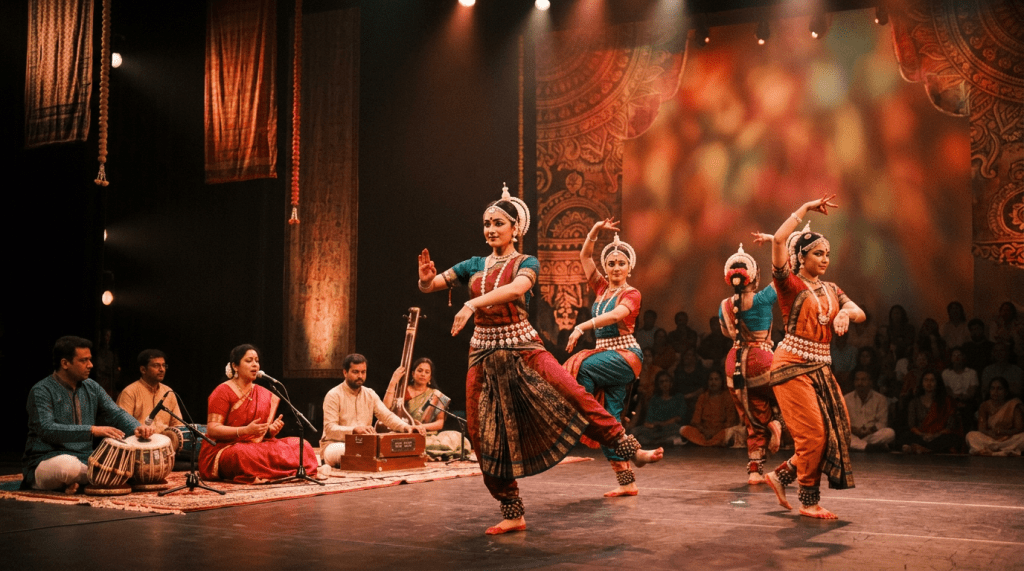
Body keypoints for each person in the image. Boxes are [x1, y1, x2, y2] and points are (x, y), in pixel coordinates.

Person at [416, 183, 662, 535]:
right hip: (483, 353)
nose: (490, 229)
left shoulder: (527, 262)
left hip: (523, 345)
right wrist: (426, 282)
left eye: (498, 223)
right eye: (486, 224)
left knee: (573, 393)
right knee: (481, 433)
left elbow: (517, 288)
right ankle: (511, 510)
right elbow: (435, 285)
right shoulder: (473, 264)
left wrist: (471, 303)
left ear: (516, 228)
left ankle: (628, 449)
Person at [763, 196, 865, 520]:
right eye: (818, 253)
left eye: (827, 254)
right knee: (813, 434)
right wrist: (804, 208)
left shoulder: (832, 289)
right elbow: (779, 241)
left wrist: (845, 314)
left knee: (837, 429)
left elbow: (859, 311)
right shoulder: (788, 284)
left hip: (821, 367)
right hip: (792, 366)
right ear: (801, 257)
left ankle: (780, 476)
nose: (825, 259)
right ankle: (808, 500)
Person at [562, 219, 645, 497]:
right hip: (606, 356)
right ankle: (627, 482)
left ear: (629, 267)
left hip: (625, 356)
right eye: (611, 264)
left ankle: (581, 411)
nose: (616, 268)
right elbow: (585, 256)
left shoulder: (631, 293)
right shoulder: (601, 288)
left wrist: (582, 327)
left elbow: (617, 315)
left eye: (621, 263)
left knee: (582, 367)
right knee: (609, 422)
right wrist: (595, 232)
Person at [22, 336, 155, 493]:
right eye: (84, 360)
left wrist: (137, 427)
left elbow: (116, 413)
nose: (90, 365)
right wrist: (92, 430)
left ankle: (77, 483)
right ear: (65, 363)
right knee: (68, 467)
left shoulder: (91, 387)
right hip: (47, 459)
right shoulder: (42, 391)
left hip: (87, 458)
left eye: (90, 359)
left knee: (132, 460)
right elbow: (46, 429)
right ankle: (93, 479)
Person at [198, 344, 318, 484]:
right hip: (226, 448)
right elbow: (212, 429)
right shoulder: (222, 391)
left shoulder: (262, 392)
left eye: (257, 361)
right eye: (249, 361)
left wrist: (269, 431)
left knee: (301, 445)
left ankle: (277, 473)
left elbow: (259, 436)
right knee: (241, 454)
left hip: (255, 446)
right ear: (235, 366)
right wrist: (245, 431)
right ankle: (272, 473)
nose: (255, 365)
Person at [719, 240, 784, 484]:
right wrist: (778, 242)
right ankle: (776, 422)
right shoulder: (764, 298)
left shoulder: (724, 305)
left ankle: (755, 471)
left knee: (752, 417)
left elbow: (726, 332)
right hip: (762, 361)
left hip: (734, 365)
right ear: (754, 278)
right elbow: (783, 274)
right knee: (789, 396)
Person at [320, 354, 422, 467]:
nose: (360, 376)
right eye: (355, 372)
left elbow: (387, 416)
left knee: (389, 447)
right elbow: (330, 429)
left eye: (363, 372)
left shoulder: (369, 394)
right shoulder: (333, 395)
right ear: (345, 372)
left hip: (364, 445)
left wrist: (406, 427)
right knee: (351, 451)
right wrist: (354, 430)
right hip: (335, 445)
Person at [381, 357, 473, 461]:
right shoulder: (402, 391)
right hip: (406, 434)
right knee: (404, 443)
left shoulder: (436, 395)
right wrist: (393, 383)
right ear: (413, 373)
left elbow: (440, 422)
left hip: (427, 436)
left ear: (430, 377)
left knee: (458, 439)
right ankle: (427, 453)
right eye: (420, 371)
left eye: (427, 372)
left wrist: (421, 427)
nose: (423, 374)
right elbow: (385, 409)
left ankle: (421, 451)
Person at [117, 349, 183, 433]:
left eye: (163, 365)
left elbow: (178, 425)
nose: (162, 369)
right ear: (143, 370)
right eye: (156, 366)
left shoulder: (168, 392)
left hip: (166, 440)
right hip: (139, 440)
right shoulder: (129, 392)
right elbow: (123, 425)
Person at [898, 371, 961, 454]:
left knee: (953, 438)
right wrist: (923, 435)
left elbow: (950, 427)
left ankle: (922, 449)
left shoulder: (946, 401)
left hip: (939, 436)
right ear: (922, 383)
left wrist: (934, 435)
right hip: (921, 436)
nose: (929, 383)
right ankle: (933, 449)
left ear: (937, 383)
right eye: (926, 380)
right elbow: (912, 425)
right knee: (905, 436)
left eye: (932, 380)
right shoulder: (914, 402)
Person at [680, 371, 743, 447]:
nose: (713, 382)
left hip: (721, 431)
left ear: (721, 381)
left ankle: (705, 443)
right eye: (711, 379)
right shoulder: (703, 397)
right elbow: (695, 421)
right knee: (683, 429)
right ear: (707, 382)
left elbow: (730, 421)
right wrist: (704, 431)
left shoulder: (727, 397)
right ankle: (713, 443)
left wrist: (714, 432)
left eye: (716, 379)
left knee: (732, 432)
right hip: (704, 433)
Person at [965, 377, 1024, 455]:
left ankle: (990, 451)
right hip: (991, 439)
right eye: (992, 388)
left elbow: (1019, 428)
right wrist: (991, 434)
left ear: (1006, 392)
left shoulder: (1013, 405)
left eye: (999, 389)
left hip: (1009, 439)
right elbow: (982, 428)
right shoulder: (985, 406)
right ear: (989, 391)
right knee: (970, 435)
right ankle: (1003, 451)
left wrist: (1003, 432)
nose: (995, 392)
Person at [630, 372, 687, 447]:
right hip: (655, 428)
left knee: (680, 430)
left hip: (671, 427)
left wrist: (663, 424)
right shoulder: (654, 399)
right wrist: (654, 425)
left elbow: (679, 417)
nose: (664, 384)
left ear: (671, 383)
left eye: (667, 381)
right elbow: (648, 420)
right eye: (661, 382)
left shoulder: (679, 397)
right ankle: (663, 442)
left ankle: (660, 441)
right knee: (634, 431)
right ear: (658, 385)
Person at [844, 369, 895, 452]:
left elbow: (882, 423)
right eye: (857, 380)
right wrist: (853, 429)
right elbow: (842, 422)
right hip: (852, 434)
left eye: (863, 380)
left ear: (870, 382)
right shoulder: (846, 399)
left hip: (871, 435)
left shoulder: (880, 399)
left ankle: (859, 446)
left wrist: (869, 431)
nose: (860, 383)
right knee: (841, 435)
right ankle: (869, 447)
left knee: (890, 433)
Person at [941, 347, 979, 431]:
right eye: (954, 355)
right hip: (951, 402)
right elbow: (947, 390)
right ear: (951, 358)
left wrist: (962, 397)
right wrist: (956, 398)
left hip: (967, 402)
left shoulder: (972, 373)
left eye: (959, 355)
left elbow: (972, 392)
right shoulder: (945, 373)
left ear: (963, 357)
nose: (956, 357)